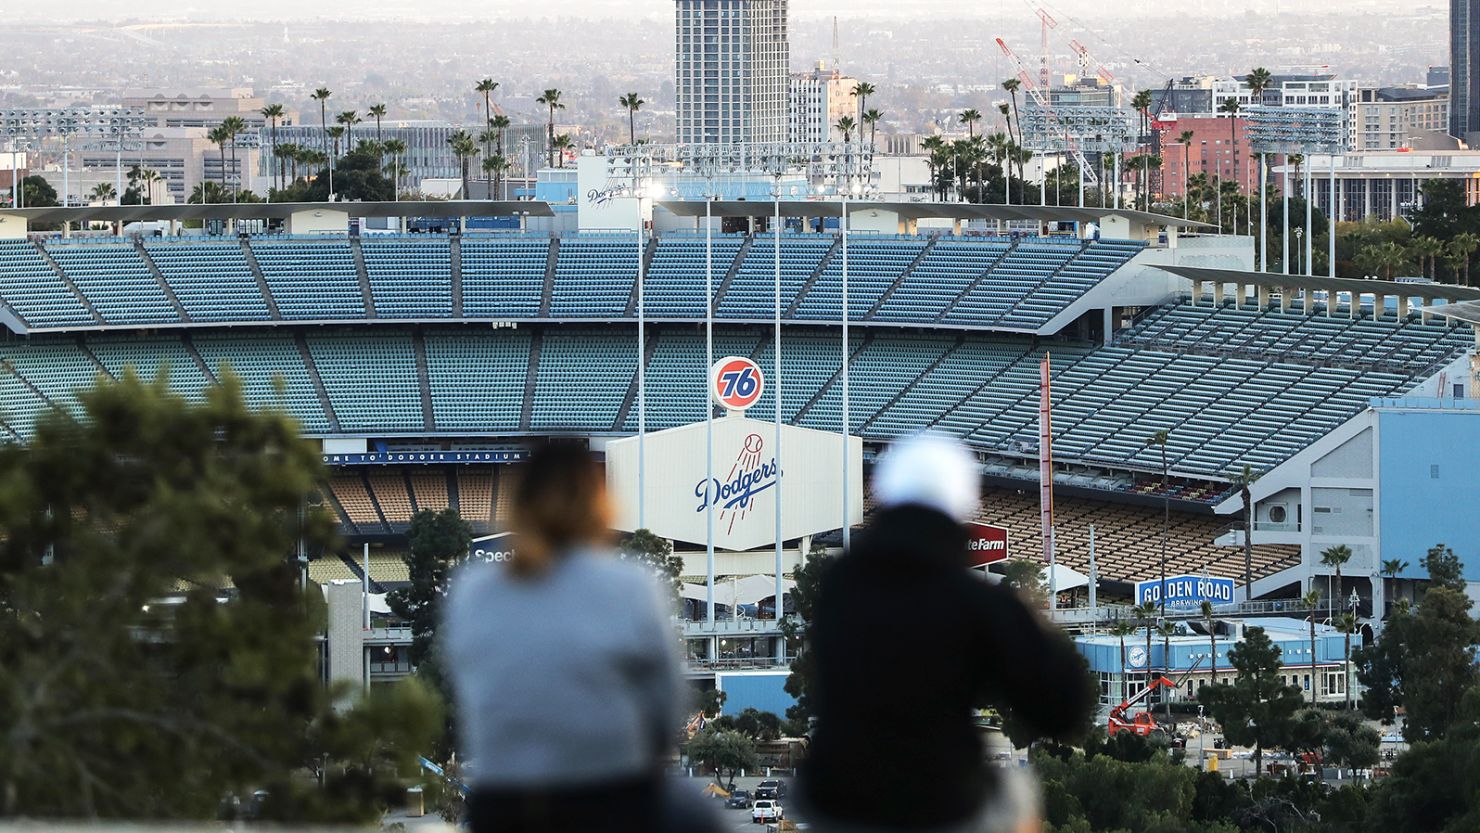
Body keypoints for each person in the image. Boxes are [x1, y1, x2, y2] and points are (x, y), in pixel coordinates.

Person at [799, 435, 1095, 833]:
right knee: (1017, 792)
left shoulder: (837, 586)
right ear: (962, 504)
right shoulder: (972, 601)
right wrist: (1030, 627)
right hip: (939, 804)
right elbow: (1062, 710)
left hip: (835, 804)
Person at [444, 442, 687, 833]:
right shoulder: (629, 585)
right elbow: (666, 705)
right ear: (599, 505)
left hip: (505, 803)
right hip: (609, 797)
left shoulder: (472, 590)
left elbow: (471, 690)